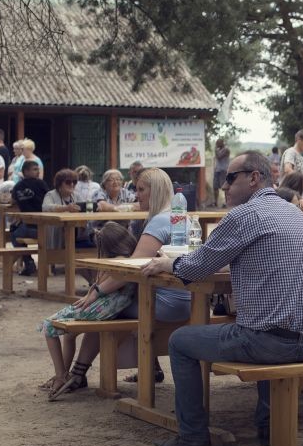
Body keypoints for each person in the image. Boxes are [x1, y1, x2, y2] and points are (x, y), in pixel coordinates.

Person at [141, 151, 303, 446]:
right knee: (269, 325)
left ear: (254, 178)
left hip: (270, 343)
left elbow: (195, 267)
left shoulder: (243, 216)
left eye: (230, 178)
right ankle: (268, 426)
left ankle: (192, 436)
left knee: (180, 341)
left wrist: (167, 263)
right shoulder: (296, 214)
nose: (224, 185)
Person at [46, 168, 192, 397]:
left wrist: (96, 291)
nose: (136, 195)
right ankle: (80, 372)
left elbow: (131, 269)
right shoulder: (182, 217)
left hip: (164, 304)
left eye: (141, 190)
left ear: (155, 191)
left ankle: (76, 374)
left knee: (104, 309)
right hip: (188, 301)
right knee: (111, 304)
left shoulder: (159, 221)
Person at [38, 222, 138, 399]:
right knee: (68, 334)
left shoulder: (116, 262)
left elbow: (98, 285)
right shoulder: (131, 258)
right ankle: (65, 375)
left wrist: (96, 283)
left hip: (101, 308)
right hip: (108, 308)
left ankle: (61, 376)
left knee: (48, 326)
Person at [10, 160, 49, 276]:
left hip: (30, 227)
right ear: (26, 171)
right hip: (45, 227)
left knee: (14, 234)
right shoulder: (41, 184)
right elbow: (49, 198)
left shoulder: (17, 186)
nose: (38, 172)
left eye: (38, 169)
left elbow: (12, 201)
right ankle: (29, 262)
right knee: (17, 231)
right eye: (35, 169)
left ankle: (28, 261)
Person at [211, 138, 230, 208]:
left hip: (223, 170)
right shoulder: (218, 150)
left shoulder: (226, 150)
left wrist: (215, 150)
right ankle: (215, 202)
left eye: (218, 143)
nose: (216, 144)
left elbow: (219, 157)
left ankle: (227, 203)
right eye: (216, 143)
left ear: (222, 143)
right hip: (217, 170)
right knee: (215, 187)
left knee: (224, 187)